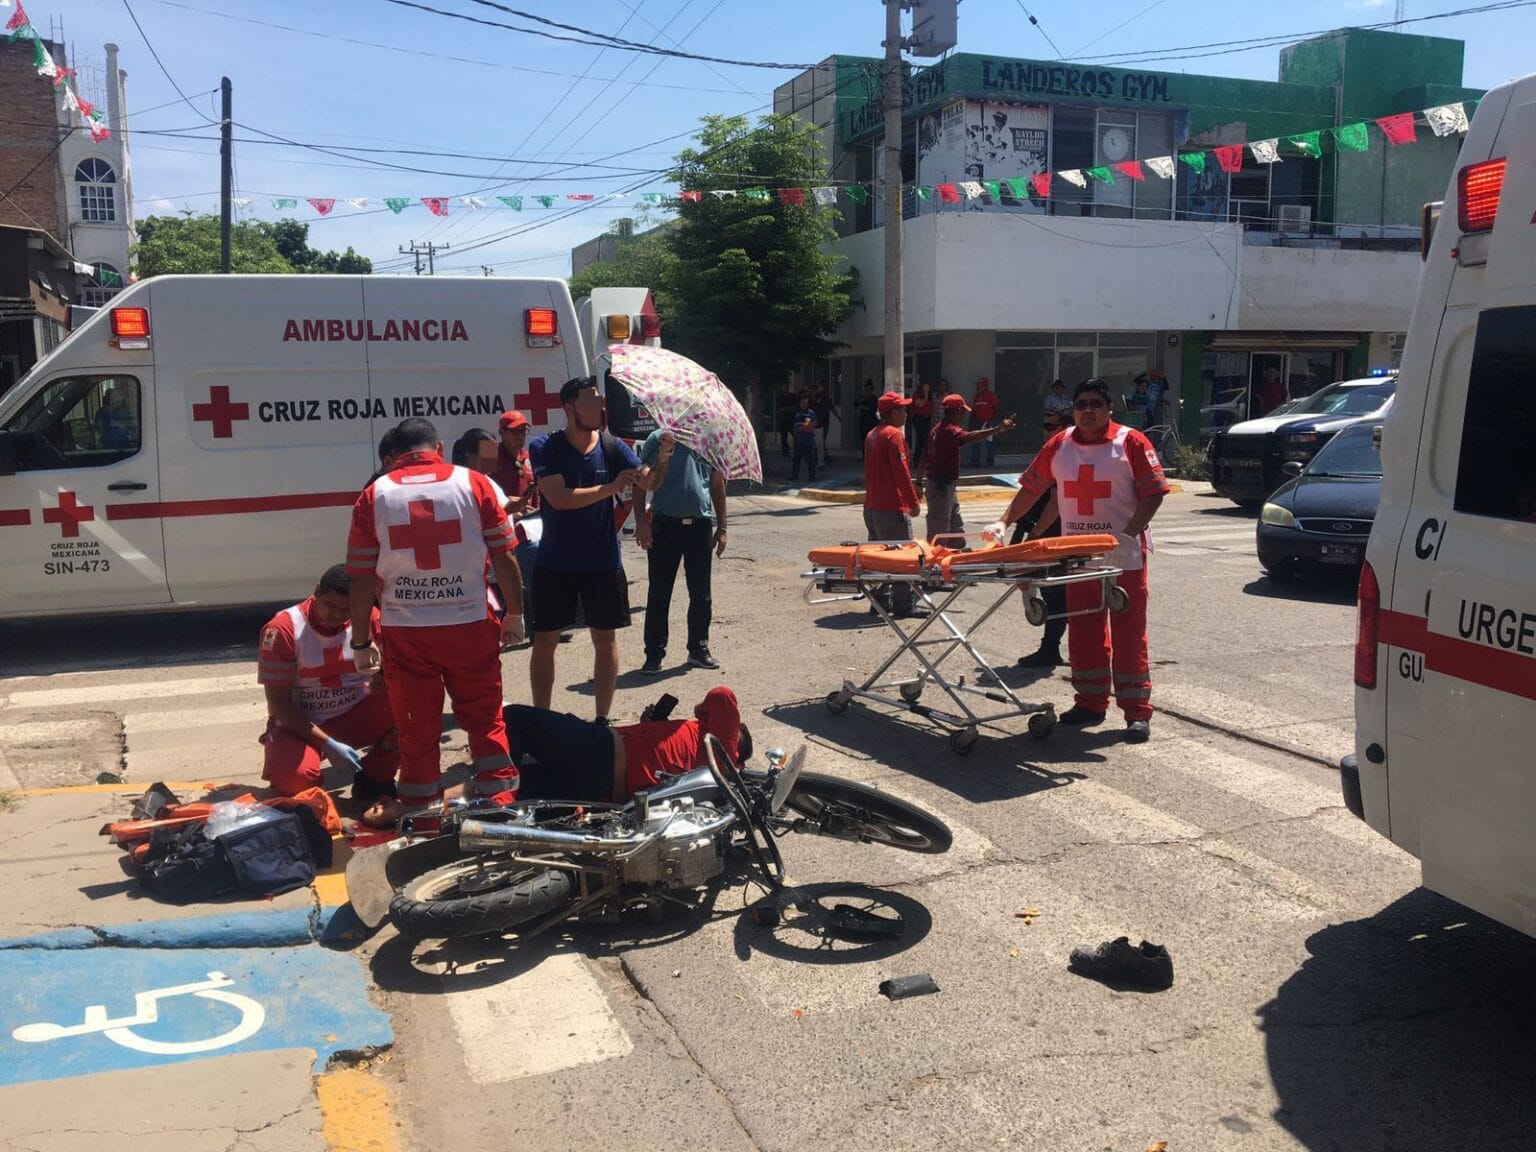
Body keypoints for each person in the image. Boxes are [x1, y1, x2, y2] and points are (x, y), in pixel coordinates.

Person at [346, 417, 525, 823]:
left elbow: (358, 577)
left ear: (395, 457)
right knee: (485, 720)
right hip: (469, 624)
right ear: (438, 449)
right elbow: (505, 556)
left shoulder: (374, 495)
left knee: (416, 729)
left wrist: (359, 642)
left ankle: (421, 820)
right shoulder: (473, 484)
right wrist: (515, 613)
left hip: (406, 632)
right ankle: (500, 811)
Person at [992, 379, 1170, 742]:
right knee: (1085, 631)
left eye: (1095, 404)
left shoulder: (1131, 442)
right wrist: (1003, 521)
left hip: (1123, 556)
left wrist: (1128, 533)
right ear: (1073, 410)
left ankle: (1136, 712)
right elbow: (1032, 487)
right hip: (1077, 559)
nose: (1087, 410)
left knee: (1128, 633)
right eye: (1081, 404)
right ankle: (1090, 702)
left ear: (1109, 409)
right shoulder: (1060, 445)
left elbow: (1154, 493)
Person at [529, 376, 668, 724]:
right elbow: (558, 498)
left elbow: (648, 481)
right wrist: (610, 487)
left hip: (602, 561)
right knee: (545, 640)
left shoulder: (611, 444)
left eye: (599, 401)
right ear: (569, 407)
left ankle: (602, 719)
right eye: (590, 402)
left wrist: (662, 457)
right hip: (555, 561)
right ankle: (541, 720)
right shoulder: (545, 447)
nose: (598, 408)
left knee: (605, 641)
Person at [257, 564, 399, 801]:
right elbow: (279, 703)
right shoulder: (283, 629)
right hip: (301, 724)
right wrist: (329, 744)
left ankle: (374, 778)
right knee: (295, 780)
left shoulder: (367, 617)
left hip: (356, 712)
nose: (338, 615)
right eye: (331, 606)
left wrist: (384, 678)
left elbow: (399, 662)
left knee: (413, 711)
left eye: (347, 608)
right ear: (317, 591)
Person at [506, 686, 749, 803]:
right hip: (601, 790)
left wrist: (700, 715)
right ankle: (487, 804)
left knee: (514, 717)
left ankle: (496, 797)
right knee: (520, 785)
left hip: (599, 751)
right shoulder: (707, 768)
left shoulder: (722, 751)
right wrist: (653, 726)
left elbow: (722, 695)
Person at [637, 429, 725, 674]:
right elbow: (640, 482)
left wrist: (723, 527)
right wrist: (641, 523)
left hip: (700, 526)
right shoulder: (658, 439)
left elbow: (717, 484)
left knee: (701, 594)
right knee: (659, 592)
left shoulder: (708, 441)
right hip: (665, 526)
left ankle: (698, 649)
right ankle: (654, 654)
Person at [924, 393, 1014, 543]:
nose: (964, 414)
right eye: (962, 411)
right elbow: (970, 436)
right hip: (941, 485)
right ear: (956, 411)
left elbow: (923, 457)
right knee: (939, 527)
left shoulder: (937, 429)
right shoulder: (949, 430)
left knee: (955, 524)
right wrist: (996, 430)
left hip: (945, 485)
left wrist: (920, 481)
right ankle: (935, 559)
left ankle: (958, 549)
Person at [864, 391, 923, 617]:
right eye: (903, 409)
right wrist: (913, 502)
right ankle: (902, 605)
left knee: (880, 557)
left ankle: (878, 602)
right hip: (891, 507)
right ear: (893, 412)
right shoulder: (893, 436)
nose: (906, 413)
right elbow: (902, 474)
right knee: (901, 559)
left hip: (872, 506)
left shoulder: (872, 434)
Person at [491, 409, 542, 636]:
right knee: (522, 576)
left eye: (523, 431)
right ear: (502, 433)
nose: (520, 436)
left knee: (538, 574)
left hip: (531, 525)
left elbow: (534, 489)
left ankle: (539, 625)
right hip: (507, 528)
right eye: (514, 432)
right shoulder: (492, 459)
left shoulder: (527, 457)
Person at [1014, 491, 1066, 669]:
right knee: (1057, 597)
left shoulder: (1056, 466)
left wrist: (1034, 536)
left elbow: (1055, 503)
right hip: (1051, 533)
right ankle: (1051, 648)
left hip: (1051, 538)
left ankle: (1050, 649)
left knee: (1056, 598)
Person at [967, 377, 1001, 468]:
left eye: (980, 385)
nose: (978, 386)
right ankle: (975, 463)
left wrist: (993, 422)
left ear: (985, 385)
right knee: (975, 442)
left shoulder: (991, 396)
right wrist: (971, 423)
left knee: (989, 443)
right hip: (977, 422)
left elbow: (996, 410)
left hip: (988, 422)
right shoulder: (977, 396)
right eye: (978, 384)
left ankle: (990, 463)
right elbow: (974, 410)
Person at [789, 396, 818, 482]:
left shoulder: (810, 413)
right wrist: (794, 439)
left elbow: (813, 424)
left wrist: (804, 426)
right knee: (796, 459)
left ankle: (812, 477)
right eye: (802, 403)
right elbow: (795, 427)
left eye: (805, 403)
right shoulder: (798, 413)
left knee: (809, 460)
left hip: (807, 440)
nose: (803, 405)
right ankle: (794, 476)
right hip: (798, 440)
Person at [908, 381, 933, 471]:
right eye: (925, 387)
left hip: (926, 418)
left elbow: (930, 408)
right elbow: (920, 404)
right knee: (921, 439)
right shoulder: (917, 395)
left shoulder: (929, 397)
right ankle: (917, 460)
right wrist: (925, 396)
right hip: (919, 418)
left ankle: (924, 461)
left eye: (928, 388)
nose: (926, 389)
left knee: (926, 439)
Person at [809, 383, 834, 467]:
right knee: (810, 445)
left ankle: (821, 463)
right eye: (811, 390)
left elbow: (830, 406)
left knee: (820, 446)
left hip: (819, 425)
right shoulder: (808, 399)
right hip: (810, 425)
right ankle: (812, 461)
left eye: (815, 390)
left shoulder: (822, 398)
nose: (813, 392)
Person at [856, 380, 879, 456]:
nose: (866, 392)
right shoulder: (862, 398)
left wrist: (864, 408)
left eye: (868, 390)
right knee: (863, 439)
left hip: (872, 421)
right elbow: (855, 404)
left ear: (871, 390)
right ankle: (864, 455)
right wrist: (862, 400)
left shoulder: (874, 399)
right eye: (865, 390)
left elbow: (873, 409)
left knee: (872, 439)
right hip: (863, 421)